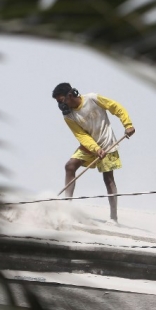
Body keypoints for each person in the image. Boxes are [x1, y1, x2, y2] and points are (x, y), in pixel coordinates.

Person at [52, 82, 135, 224]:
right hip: (89, 146)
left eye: (61, 100)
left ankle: (113, 218)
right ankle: (67, 209)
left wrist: (127, 125)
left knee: (108, 179)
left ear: (70, 95)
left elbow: (115, 107)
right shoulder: (69, 116)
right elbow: (81, 136)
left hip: (108, 143)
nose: (61, 105)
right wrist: (96, 149)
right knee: (70, 166)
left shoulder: (92, 98)